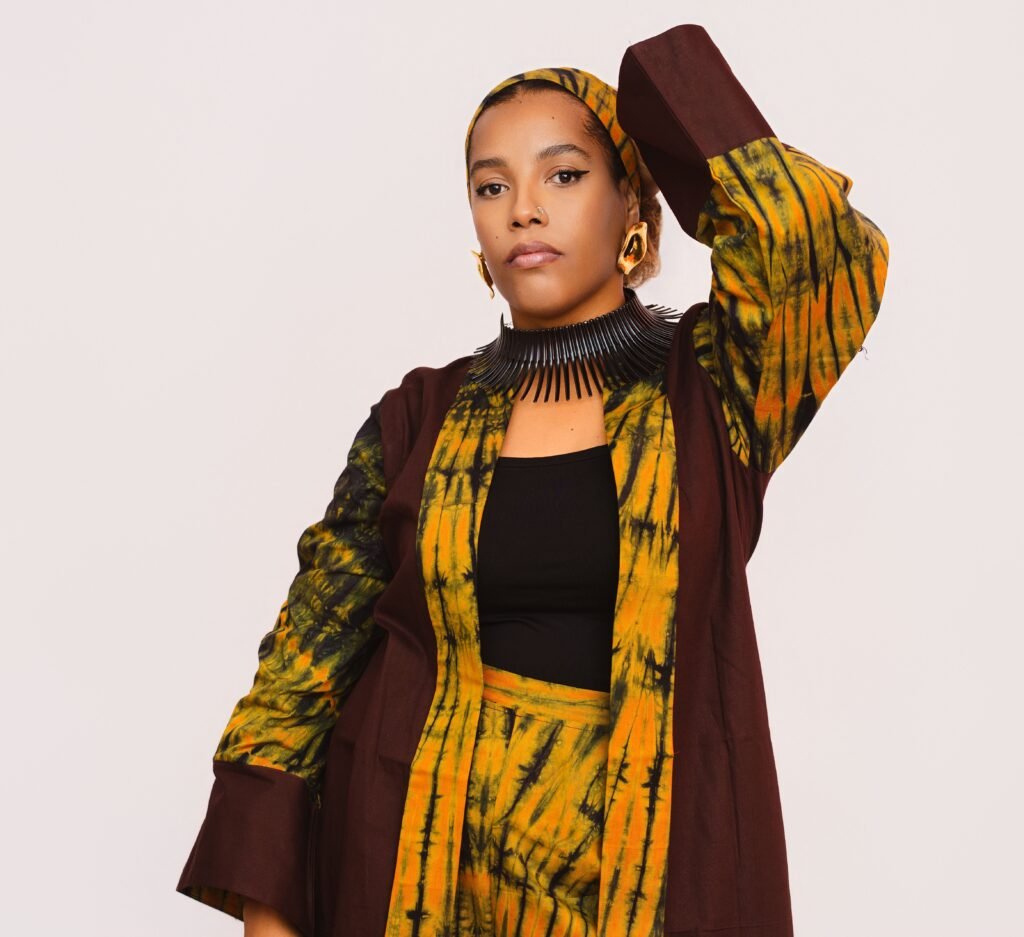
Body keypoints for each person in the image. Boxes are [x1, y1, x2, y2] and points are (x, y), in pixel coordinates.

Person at [176, 23, 889, 937]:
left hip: (643, 880)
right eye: (491, 185)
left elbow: (815, 247)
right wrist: (266, 913)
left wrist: (662, 81)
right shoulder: (417, 419)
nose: (523, 209)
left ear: (632, 205)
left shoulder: (716, 392)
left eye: (564, 175)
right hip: (409, 874)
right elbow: (302, 669)